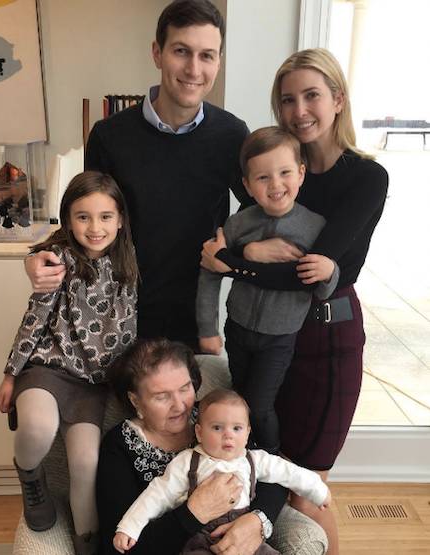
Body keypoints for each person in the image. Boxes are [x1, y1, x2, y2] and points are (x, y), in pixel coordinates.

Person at [200, 48, 389, 554]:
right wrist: (245, 251)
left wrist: (234, 262)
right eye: (287, 99)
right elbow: (246, 234)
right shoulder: (277, 171)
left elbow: (309, 273)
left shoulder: (367, 178)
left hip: (328, 342)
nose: (299, 110)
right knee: (268, 469)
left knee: (307, 487)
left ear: (338, 99)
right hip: (273, 339)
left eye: (311, 96)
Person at [24, 0, 251, 350]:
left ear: (218, 62)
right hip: (112, 318)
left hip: (194, 321)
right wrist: (36, 258)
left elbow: (258, 213)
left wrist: (241, 253)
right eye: (181, 51)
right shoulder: (109, 136)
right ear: (157, 53)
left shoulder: (233, 136)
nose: (194, 68)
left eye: (207, 55)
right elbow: (87, 220)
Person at [0, 171, 138, 555]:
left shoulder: (127, 262)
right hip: (47, 370)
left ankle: (86, 546)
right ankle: (30, 476)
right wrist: (11, 374)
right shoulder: (58, 260)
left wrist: (129, 386)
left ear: (120, 219)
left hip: (91, 385)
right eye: (83, 217)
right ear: (68, 220)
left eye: (105, 216)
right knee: (38, 428)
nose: (95, 228)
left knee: (86, 466)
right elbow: (34, 319)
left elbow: (127, 333)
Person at [97, 339, 327, 555]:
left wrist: (258, 520)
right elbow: (119, 547)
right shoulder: (119, 446)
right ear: (135, 400)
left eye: (185, 388)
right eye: (162, 396)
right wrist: (194, 513)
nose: (179, 405)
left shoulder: (215, 417)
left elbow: (272, 471)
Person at [196, 127, 339, 455]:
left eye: (285, 173)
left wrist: (329, 272)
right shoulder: (238, 224)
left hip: (280, 337)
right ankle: (240, 459)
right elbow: (210, 270)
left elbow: (323, 288)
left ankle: (271, 461)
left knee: (259, 406)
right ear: (247, 185)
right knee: (238, 401)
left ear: (301, 173)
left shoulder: (315, 227)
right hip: (238, 328)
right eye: (263, 177)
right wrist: (207, 329)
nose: (275, 185)